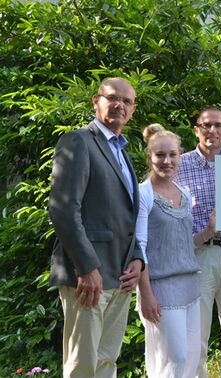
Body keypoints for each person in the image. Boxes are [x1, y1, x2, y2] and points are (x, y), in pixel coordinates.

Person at [48, 77, 145, 377]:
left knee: (106, 362)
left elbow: (127, 217)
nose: (119, 105)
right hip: (88, 279)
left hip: (119, 276)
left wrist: (138, 259)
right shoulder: (78, 140)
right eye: (112, 97)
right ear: (95, 101)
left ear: (133, 109)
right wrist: (87, 268)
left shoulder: (123, 152)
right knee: (83, 365)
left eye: (126, 101)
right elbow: (63, 209)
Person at [174, 107, 221, 378]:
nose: (212, 131)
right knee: (196, 335)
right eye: (206, 125)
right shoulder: (178, 164)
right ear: (196, 129)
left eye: (218, 126)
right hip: (198, 255)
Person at [136, 124, 202, 377]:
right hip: (160, 288)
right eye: (160, 155)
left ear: (179, 156)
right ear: (149, 157)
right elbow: (139, 247)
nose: (167, 161)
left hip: (190, 286)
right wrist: (146, 294)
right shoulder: (144, 194)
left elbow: (182, 243)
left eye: (172, 155)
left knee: (192, 357)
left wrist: (208, 231)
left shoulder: (184, 193)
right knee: (173, 358)